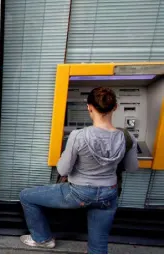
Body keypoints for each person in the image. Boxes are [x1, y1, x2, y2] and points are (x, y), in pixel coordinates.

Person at [18, 87, 139, 254]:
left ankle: (42, 239)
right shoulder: (128, 137)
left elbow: (63, 169)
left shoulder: (78, 136)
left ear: (89, 107)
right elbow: (132, 168)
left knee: (26, 196)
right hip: (108, 194)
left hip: (78, 193)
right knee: (98, 247)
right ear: (115, 107)